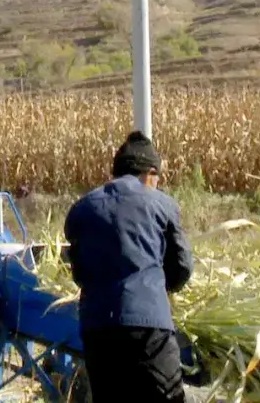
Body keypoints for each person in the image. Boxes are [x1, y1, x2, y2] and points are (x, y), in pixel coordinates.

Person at [63, 131, 193, 403]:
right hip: (148, 328)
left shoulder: (81, 209)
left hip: (97, 327)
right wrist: (162, 287)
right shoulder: (162, 204)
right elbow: (182, 267)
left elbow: (78, 272)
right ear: (150, 173)